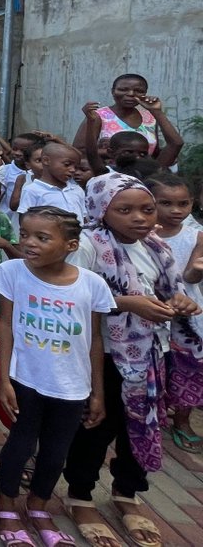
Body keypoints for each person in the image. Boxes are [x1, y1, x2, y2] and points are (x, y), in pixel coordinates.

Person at [62, 174, 203, 547]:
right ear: (101, 210)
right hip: (106, 354)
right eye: (124, 210)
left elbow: (168, 291)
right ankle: (80, 495)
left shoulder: (157, 247)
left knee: (140, 425)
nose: (139, 218)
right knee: (96, 426)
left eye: (146, 209)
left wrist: (179, 302)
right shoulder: (89, 245)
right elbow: (74, 297)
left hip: (151, 353)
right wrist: (127, 303)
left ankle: (127, 491)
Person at [0, 207, 114, 546]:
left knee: (56, 451)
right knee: (20, 444)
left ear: (71, 245)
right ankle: (5, 504)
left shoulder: (92, 285)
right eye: (25, 235)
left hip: (72, 386)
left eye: (42, 237)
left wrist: (97, 392)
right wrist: (4, 379)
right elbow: (4, 324)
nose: (29, 243)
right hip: (27, 378)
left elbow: (95, 340)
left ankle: (38, 505)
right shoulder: (11, 272)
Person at [146, 173, 203, 450]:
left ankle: (182, 420)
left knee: (188, 367)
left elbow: (190, 276)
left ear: (193, 203)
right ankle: (149, 414)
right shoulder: (142, 234)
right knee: (152, 366)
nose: (176, 210)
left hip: (186, 314)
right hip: (149, 309)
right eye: (166, 203)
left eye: (184, 203)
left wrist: (197, 271)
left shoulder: (196, 236)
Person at [72, 74, 183, 160]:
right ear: (113, 91)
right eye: (123, 89)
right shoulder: (98, 116)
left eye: (138, 91)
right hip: (107, 173)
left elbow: (156, 151)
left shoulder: (150, 117)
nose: (131, 94)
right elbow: (80, 150)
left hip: (142, 175)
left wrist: (156, 111)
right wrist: (115, 153)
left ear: (145, 93)